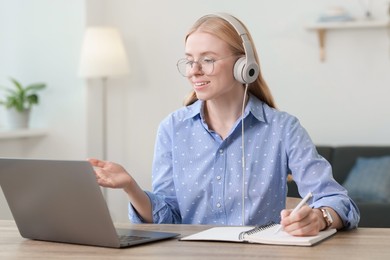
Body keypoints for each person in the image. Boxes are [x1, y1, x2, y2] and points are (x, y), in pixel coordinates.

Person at [89, 13, 360, 236]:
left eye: (207, 59)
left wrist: (319, 217)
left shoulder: (282, 129)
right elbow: (168, 217)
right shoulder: (173, 128)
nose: (194, 70)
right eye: (190, 60)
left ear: (244, 65)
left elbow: (339, 202)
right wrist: (130, 187)